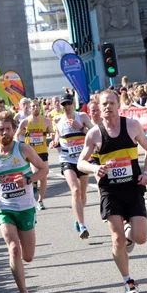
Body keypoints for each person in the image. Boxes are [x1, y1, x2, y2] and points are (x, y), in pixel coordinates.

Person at [77, 90, 147, 293]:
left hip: (133, 188)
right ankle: (128, 282)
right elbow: (80, 162)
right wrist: (95, 169)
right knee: (116, 238)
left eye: (112, 103)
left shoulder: (131, 126)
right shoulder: (94, 134)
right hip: (110, 192)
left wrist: (146, 173)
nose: (108, 107)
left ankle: (130, 236)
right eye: (104, 104)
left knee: (141, 237)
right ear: (99, 108)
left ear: (118, 105)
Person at [0, 111, 48, 293]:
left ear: (13, 129)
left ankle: (24, 288)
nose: (5, 133)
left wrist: (28, 180)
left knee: (28, 256)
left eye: (8, 129)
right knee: (14, 248)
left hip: (25, 208)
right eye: (1, 130)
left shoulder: (23, 149)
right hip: (4, 208)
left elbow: (43, 170)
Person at [49, 94, 93, 239]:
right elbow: (57, 135)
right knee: (75, 190)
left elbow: (95, 134)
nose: (66, 107)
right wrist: (54, 142)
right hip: (67, 159)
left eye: (68, 103)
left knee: (83, 194)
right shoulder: (58, 120)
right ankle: (82, 225)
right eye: (64, 104)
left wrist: (80, 128)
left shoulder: (83, 117)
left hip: (82, 160)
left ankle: (77, 215)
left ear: (73, 103)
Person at [16, 99, 54, 210]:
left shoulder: (46, 121)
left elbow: (51, 131)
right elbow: (17, 134)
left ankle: (40, 200)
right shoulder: (25, 122)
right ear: (29, 108)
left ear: (40, 107)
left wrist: (53, 136)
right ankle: (32, 187)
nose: (35, 108)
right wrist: (17, 146)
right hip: (30, 152)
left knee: (43, 177)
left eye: (37, 106)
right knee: (35, 173)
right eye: (33, 106)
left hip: (42, 152)